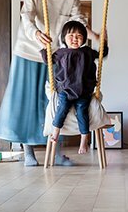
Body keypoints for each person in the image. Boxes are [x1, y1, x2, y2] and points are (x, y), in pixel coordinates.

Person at [0, 0, 102, 167]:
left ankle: (57, 152)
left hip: (56, 57)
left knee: (56, 102)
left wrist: (95, 36)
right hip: (28, 50)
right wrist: (35, 34)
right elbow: (27, 15)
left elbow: (78, 22)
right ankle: (28, 152)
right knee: (27, 102)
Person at [42, 20, 108, 155]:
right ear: (64, 38)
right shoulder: (61, 53)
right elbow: (47, 59)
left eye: (79, 36)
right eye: (71, 36)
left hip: (83, 91)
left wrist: (104, 41)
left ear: (84, 38)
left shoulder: (87, 52)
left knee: (82, 112)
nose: (75, 39)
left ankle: (84, 140)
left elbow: (102, 54)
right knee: (62, 108)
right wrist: (45, 47)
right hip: (65, 90)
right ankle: (56, 132)